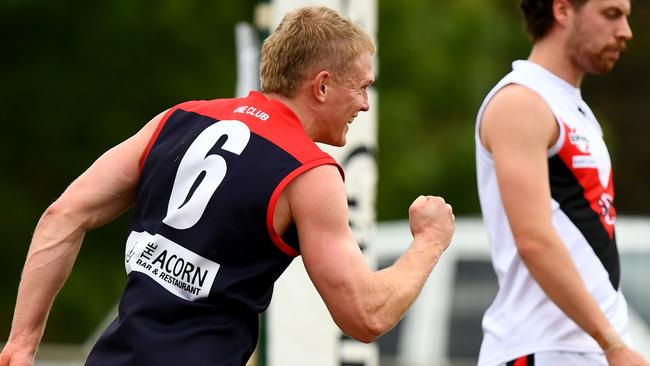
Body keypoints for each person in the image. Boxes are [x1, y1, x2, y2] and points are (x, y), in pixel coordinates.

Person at [0, 6, 455, 366]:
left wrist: (20, 345)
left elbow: (63, 215)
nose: (364, 105)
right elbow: (366, 315)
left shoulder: (180, 119)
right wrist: (429, 243)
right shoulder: (309, 171)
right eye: (362, 88)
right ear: (321, 86)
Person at [475, 0, 648, 365]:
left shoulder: (573, 108)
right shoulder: (520, 101)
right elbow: (534, 239)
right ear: (563, 10)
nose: (625, 32)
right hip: (540, 347)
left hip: (583, 347)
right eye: (611, 14)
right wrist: (612, 342)